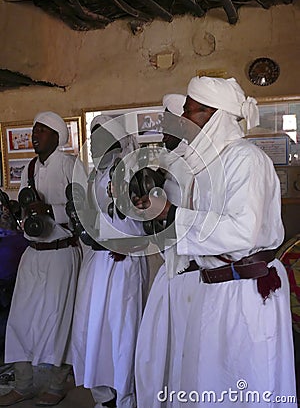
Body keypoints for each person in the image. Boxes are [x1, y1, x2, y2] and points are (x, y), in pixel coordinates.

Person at [135, 77, 297, 407]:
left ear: (215, 117)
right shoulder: (206, 166)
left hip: (244, 293)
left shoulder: (245, 160)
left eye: (191, 112)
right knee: (209, 380)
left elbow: (242, 233)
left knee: (245, 381)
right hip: (215, 289)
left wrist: (172, 214)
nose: (183, 121)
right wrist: (165, 215)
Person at [0, 111, 82, 407]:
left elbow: (83, 210)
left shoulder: (70, 165)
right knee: (20, 318)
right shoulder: (30, 168)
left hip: (61, 252)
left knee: (58, 319)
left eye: (42, 130)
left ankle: (57, 383)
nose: (35, 135)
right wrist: (25, 212)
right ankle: (23, 384)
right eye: (34, 129)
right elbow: (23, 205)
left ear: (57, 136)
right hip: (33, 252)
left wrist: (49, 210)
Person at [67, 115, 149, 408]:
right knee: (92, 331)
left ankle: (126, 397)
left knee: (121, 332)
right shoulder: (94, 176)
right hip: (96, 265)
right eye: (93, 134)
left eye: (103, 133)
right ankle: (103, 397)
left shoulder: (134, 171)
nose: (96, 141)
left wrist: (127, 244)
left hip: (122, 267)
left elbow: (147, 224)